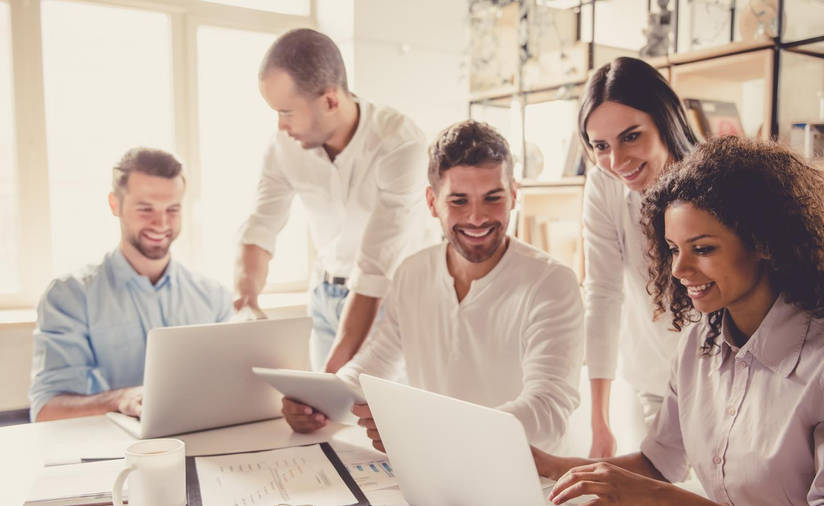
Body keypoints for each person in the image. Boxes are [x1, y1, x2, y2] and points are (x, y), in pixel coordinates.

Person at [536, 137, 824, 505]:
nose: (679, 269)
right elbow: (658, 462)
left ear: (764, 243)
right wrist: (552, 466)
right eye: (674, 249)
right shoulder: (699, 343)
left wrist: (658, 498)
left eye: (703, 248)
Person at [281, 120, 584, 452]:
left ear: (513, 195)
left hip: (528, 477)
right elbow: (374, 363)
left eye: (492, 198)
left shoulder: (551, 283)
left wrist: (428, 431)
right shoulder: (412, 273)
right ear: (431, 202)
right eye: (458, 201)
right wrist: (317, 403)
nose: (477, 217)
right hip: (434, 467)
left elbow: (548, 412)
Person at [234, 28, 428, 373]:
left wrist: (327, 381)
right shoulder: (283, 147)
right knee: (329, 424)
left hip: (386, 301)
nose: (280, 126)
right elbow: (261, 227)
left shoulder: (400, 143)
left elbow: (373, 271)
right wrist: (247, 301)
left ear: (330, 100)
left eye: (287, 112)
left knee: (381, 420)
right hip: (324, 294)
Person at [29, 148, 232, 422]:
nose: (161, 223)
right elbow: (46, 410)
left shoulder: (214, 296)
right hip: (110, 454)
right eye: (145, 209)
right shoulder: (70, 296)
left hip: (202, 446)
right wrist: (121, 400)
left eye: (172, 209)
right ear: (115, 205)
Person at [578, 56, 698, 457]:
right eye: (601, 146)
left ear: (665, 121)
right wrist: (600, 422)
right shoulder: (604, 185)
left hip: (726, 379)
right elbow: (603, 294)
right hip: (655, 378)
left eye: (631, 137)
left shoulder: (717, 178)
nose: (617, 161)